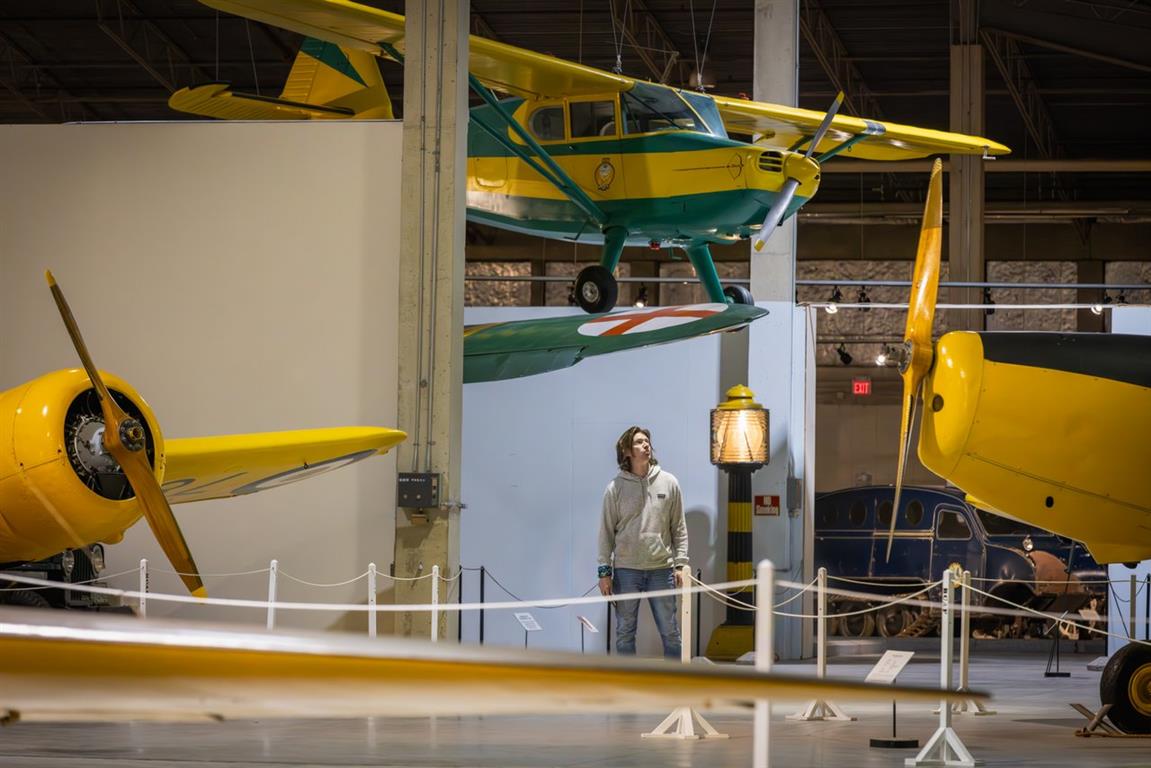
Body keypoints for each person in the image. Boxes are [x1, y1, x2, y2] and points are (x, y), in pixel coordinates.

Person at [597, 426, 689, 658]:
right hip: (627, 570)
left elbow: (679, 527)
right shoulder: (614, 488)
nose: (646, 445)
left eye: (647, 441)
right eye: (639, 442)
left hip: (661, 569)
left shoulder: (669, 482)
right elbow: (606, 532)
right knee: (624, 633)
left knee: (670, 632)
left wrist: (680, 564)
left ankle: (674, 684)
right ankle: (630, 687)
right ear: (627, 451)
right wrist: (604, 572)